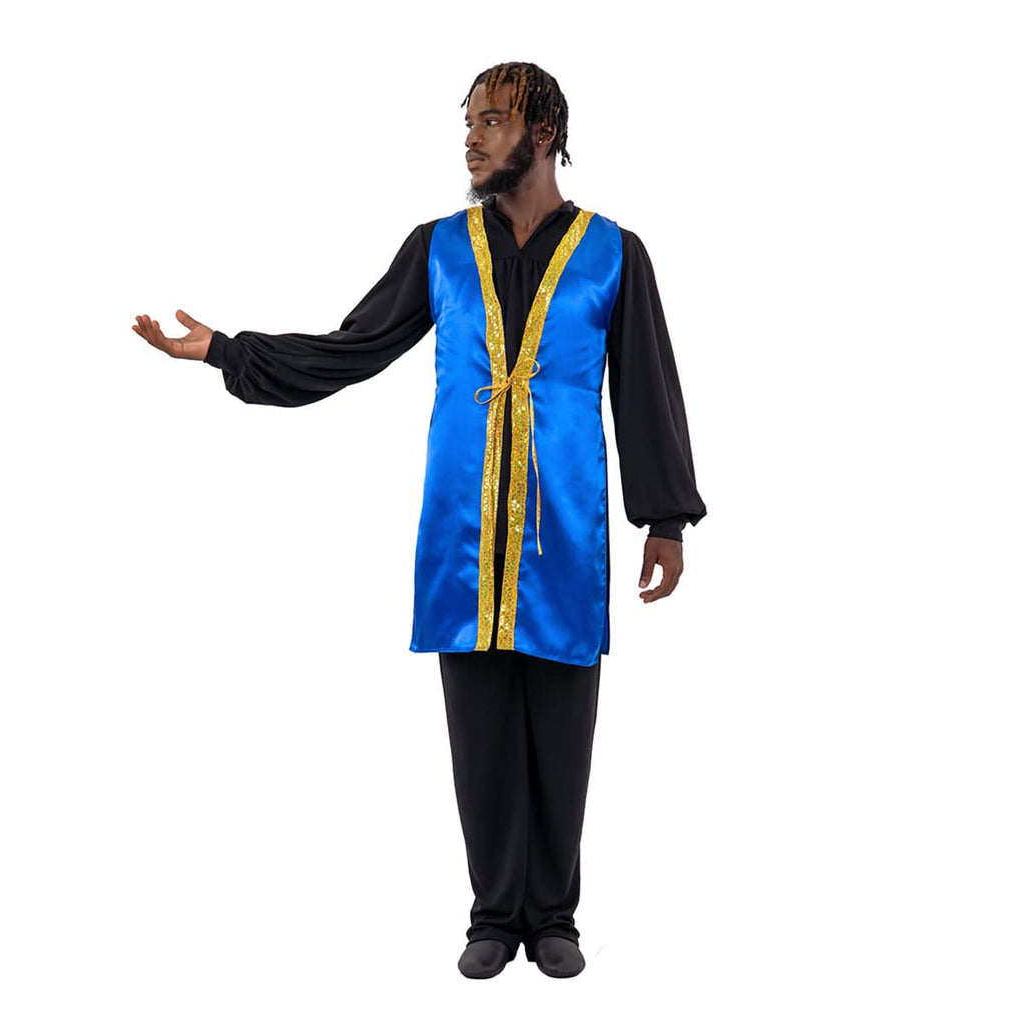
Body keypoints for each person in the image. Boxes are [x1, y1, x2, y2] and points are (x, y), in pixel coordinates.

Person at [131, 61, 707, 980]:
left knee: (562, 732)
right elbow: (354, 348)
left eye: (492, 121)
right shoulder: (439, 249)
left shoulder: (614, 253)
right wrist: (225, 353)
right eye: (468, 122)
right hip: (461, 536)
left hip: (566, 531)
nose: (472, 137)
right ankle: (494, 918)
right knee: (479, 735)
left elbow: (646, 385)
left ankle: (554, 919)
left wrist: (665, 519)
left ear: (544, 133)